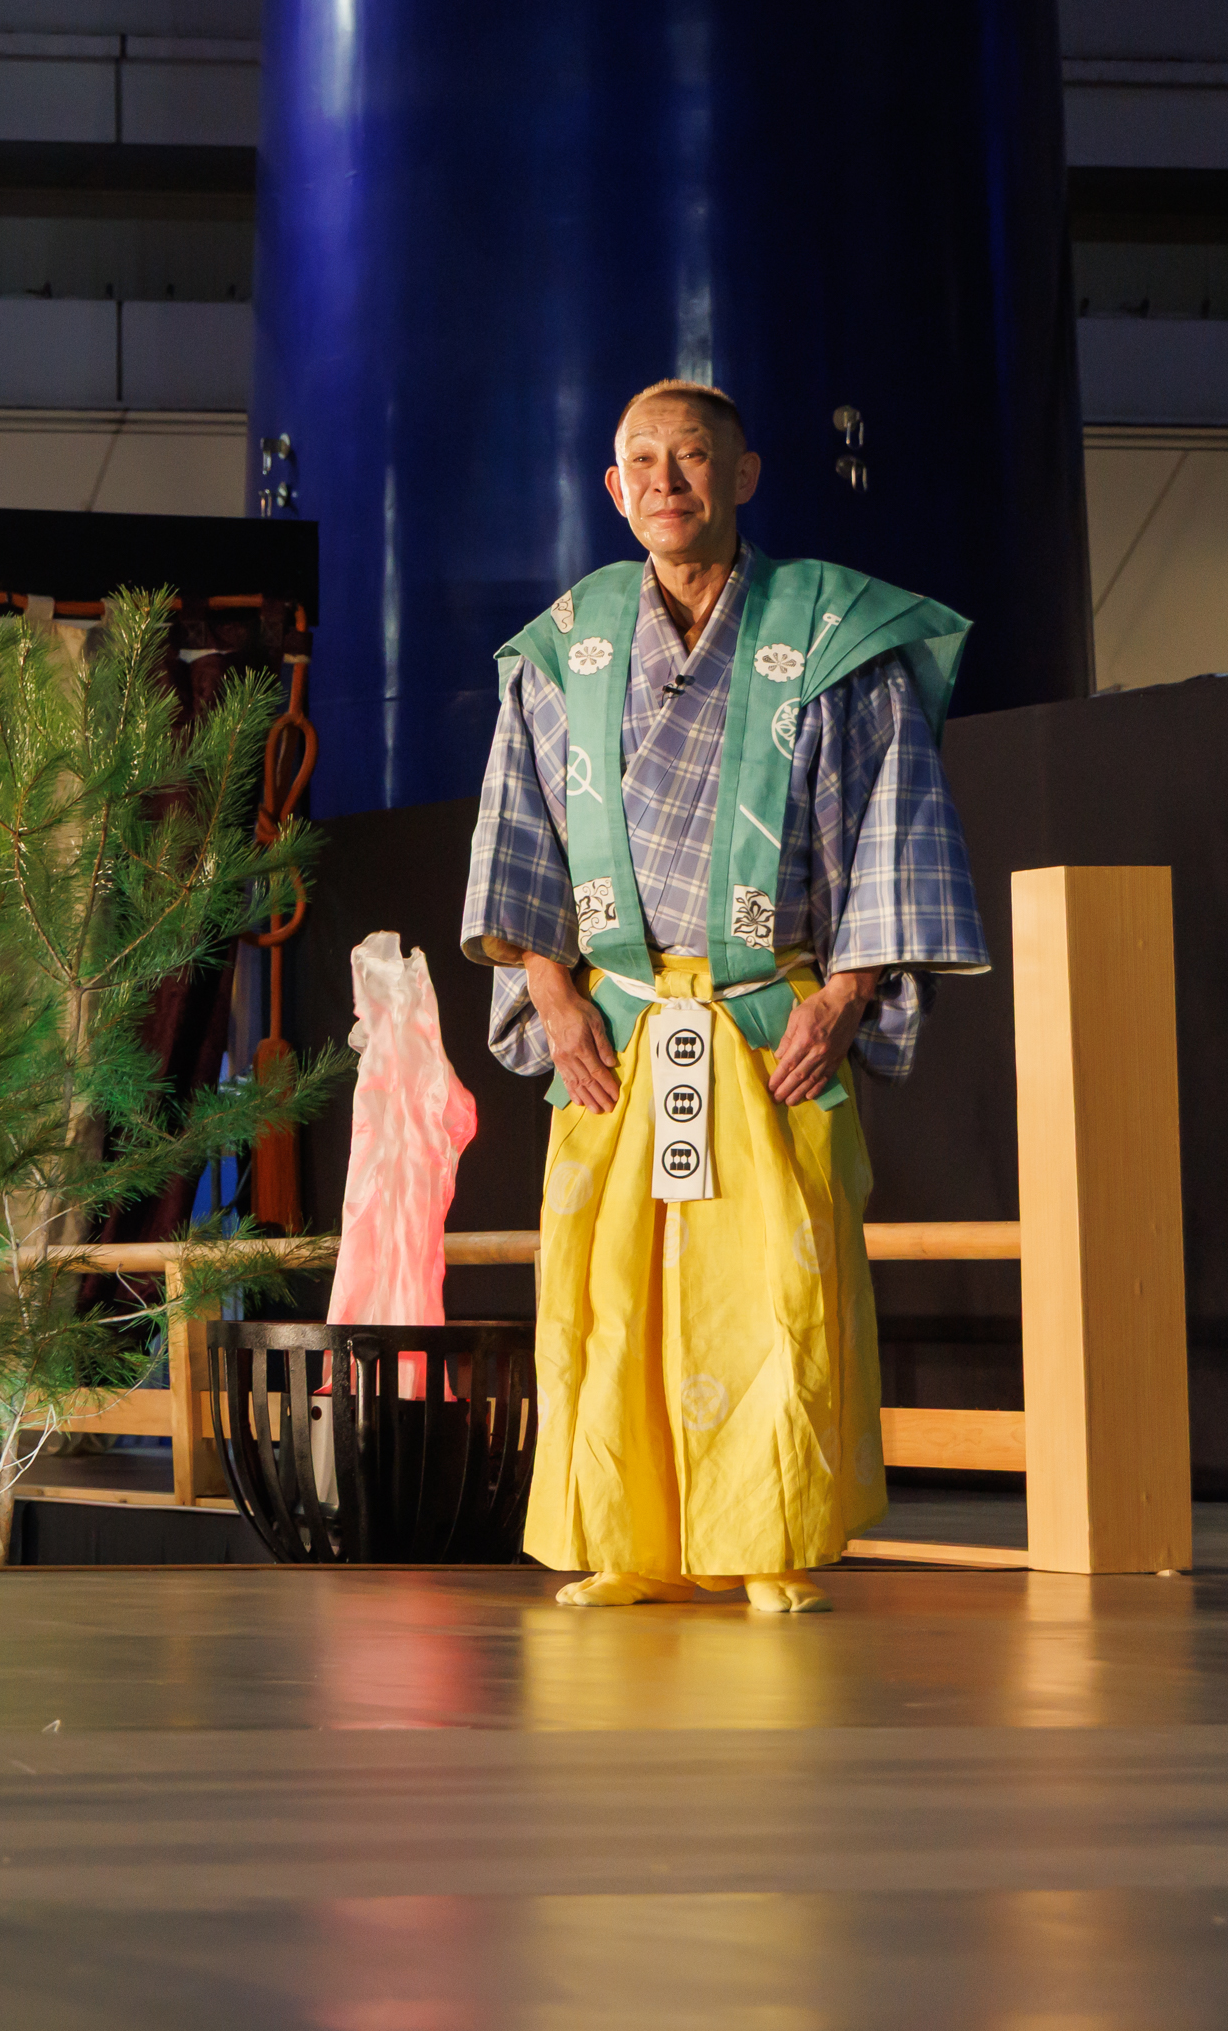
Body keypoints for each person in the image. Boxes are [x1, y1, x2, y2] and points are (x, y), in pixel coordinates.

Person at [460, 379, 987, 1615]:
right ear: (613, 488)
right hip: (619, 1025)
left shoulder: (832, 634)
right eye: (642, 460)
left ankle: (770, 1537)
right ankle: (625, 1540)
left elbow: (895, 828)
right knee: (610, 1291)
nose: (666, 480)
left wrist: (843, 998)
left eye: (691, 456)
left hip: (765, 1021)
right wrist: (552, 992)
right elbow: (517, 836)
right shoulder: (569, 645)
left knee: (775, 1288)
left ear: (742, 475)